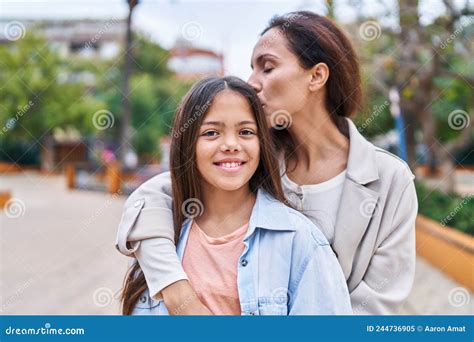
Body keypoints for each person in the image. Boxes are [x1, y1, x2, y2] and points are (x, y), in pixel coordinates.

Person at [116, 11, 417, 315]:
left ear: (316, 76)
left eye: (267, 67)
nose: (252, 82)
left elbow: (380, 300)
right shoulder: (251, 156)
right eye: (251, 68)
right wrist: (177, 289)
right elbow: (152, 198)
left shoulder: (389, 179)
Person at [120, 76, 352, 315]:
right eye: (211, 133)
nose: (231, 144)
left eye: (245, 132)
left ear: (261, 143)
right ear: (188, 143)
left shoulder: (300, 240)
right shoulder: (161, 237)